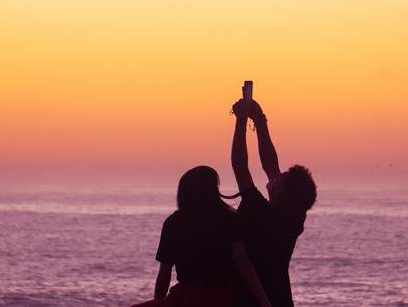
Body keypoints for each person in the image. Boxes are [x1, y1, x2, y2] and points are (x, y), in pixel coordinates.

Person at [132, 166, 272, 307]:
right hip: (219, 299)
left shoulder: (174, 222)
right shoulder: (229, 219)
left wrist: (158, 302)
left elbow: (164, 273)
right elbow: (243, 263)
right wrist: (264, 301)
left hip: (185, 299)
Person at [231, 99, 317, 307]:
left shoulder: (259, 212)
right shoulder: (295, 219)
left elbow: (240, 167)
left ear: (283, 193)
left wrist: (241, 121)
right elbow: (270, 165)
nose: (277, 176)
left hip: (248, 300)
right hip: (280, 299)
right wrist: (259, 120)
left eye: (282, 178)